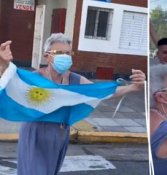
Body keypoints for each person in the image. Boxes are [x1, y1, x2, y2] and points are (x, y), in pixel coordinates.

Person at [0, 33, 145, 175]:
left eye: (68, 53)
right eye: (59, 52)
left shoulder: (76, 80)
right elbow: (8, 81)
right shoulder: (34, 78)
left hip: (60, 133)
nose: (65, 56)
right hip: (35, 133)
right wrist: (3, 64)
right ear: (47, 56)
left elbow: (100, 92)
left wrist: (132, 87)